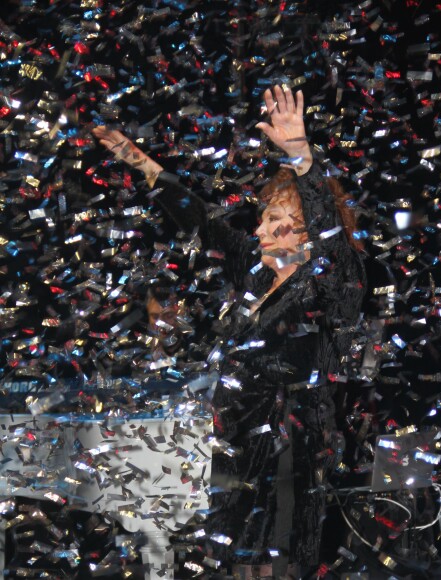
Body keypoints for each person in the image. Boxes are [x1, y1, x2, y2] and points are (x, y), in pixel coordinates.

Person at [93, 86, 366, 579]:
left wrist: (302, 156)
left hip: (290, 446)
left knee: (274, 559)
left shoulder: (333, 282)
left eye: (277, 220)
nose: (261, 230)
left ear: (308, 233)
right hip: (232, 441)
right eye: (263, 218)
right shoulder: (256, 275)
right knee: (228, 558)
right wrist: (137, 159)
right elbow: (200, 216)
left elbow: (331, 234)